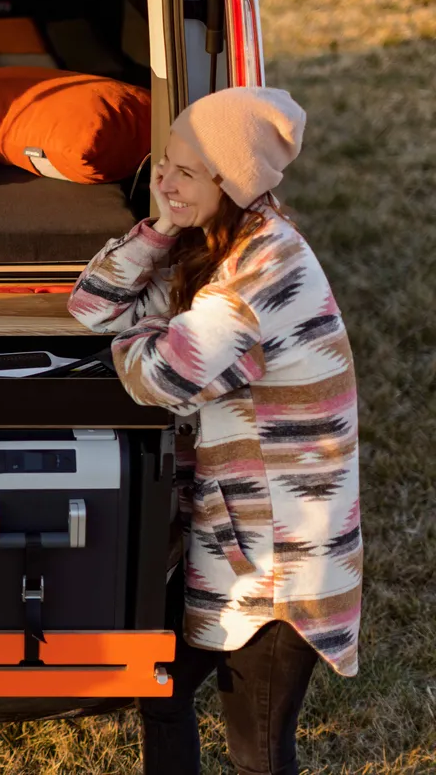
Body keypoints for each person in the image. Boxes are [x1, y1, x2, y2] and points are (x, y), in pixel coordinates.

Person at [67, 87, 361, 775]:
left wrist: (141, 336)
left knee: (256, 752)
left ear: (232, 183)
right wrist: (158, 229)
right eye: (163, 163)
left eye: (187, 173)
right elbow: (90, 305)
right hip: (235, 539)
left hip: (281, 564)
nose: (165, 182)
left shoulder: (262, 272)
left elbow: (160, 378)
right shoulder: (218, 244)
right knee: (161, 686)